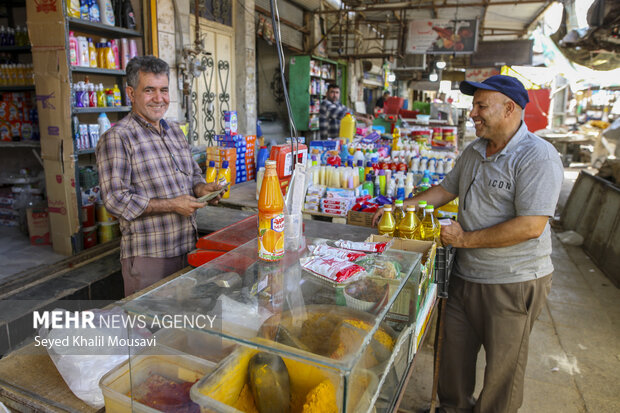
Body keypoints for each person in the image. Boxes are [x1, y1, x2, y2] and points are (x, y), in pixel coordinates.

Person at [373, 75, 564, 413]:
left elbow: (532, 226)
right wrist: (399, 208)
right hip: (465, 274)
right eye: (473, 105)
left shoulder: (538, 157)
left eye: (480, 106)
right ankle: (452, 408)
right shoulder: (475, 150)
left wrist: (464, 239)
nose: (472, 113)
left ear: (510, 108)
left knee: (502, 371)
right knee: (453, 357)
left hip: (513, 281)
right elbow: (445, 190)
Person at [96, 56, 224, 297]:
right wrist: (172, 205)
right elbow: (115, 199)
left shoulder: (174, 130)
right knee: (150, 331)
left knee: (181, 328)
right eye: (149, 90)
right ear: (131, 93)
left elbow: (193, 175)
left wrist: (202, 189)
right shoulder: (118, 137)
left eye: (164, 90)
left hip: (188, 248)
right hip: (150, 258)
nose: (159, 98)